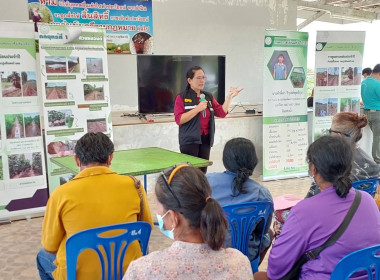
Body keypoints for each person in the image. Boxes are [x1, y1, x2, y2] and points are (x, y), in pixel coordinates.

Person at [254, 136, 380, 280]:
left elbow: (276, 269)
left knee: (258, 276)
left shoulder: (304, 211)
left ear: (313, 169)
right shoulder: (366, 200)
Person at [36, 132, 153, 280]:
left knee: (42, 257)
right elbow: (145, 229)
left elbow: (50, 248)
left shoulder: (60, 194)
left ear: (77, 160)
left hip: (78, 276)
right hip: (127, 272)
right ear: (110, 158)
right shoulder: (134, 185)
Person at [123, 165, 253, 279]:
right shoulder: (240, 263)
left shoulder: (142, 271)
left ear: (174, 217)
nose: (159, 216)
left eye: (159, 212)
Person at [206, 137, 273, 263]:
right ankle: (252, 269)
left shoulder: (206, 182)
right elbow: (263, 230)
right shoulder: (262, 194)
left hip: (211, 251)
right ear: (253, 162)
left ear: (225, 161)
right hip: (246, 255)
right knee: (269, 233)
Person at [174, 66, 242, 173]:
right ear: (189, 80)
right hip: (190, 140)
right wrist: (197, 109)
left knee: (202, 171)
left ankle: (201, 190)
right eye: (198, 78)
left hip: (205, 139)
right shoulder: (181, 97)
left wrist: (229, 97)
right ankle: (191, 190)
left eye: (203, 77)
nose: (202, 80)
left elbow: (221, 112)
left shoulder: (208, 96)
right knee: (190, 172)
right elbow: (179, 119)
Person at [306, 112, 380, 197]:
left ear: (339, 136)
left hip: (331, 207)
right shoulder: (372, 165)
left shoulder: (330, 162)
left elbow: (312, 198)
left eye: (330, 131)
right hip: (360, 206)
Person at [361, 63, 380, 163]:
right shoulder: (377, 84)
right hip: (377, 113)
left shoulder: (364, 82)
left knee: (376, 137)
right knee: (378, 138)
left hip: (367, 113)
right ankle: (377, 161)